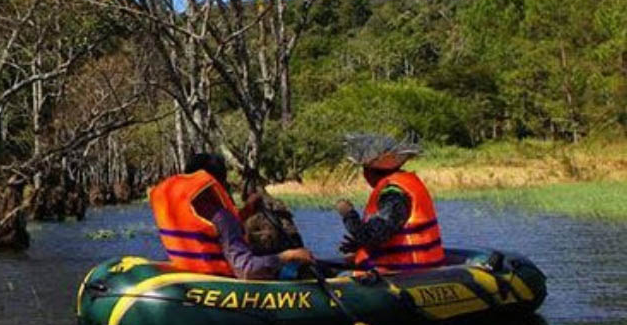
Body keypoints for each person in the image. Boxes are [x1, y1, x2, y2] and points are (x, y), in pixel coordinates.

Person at [150, 152, 313, 279]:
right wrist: (288, 255)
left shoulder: (180, 208)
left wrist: (247, 210)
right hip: (219, 280)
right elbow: (246, 269)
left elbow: (211, 231)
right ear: (217, 182)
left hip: (190, 274)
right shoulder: (222, 217)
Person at [335, 133, 445, 272]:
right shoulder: (404, 184)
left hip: (404, 274)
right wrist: (358, 245)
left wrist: (348, 214)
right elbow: (386, 233)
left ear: (368, 172)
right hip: (417, 268)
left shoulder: (394, 193)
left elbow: (374, 236)